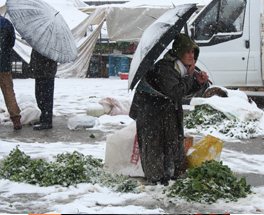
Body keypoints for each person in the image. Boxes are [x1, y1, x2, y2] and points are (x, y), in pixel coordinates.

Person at [129, 33, 210, 186]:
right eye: (188, 51)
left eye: (194, 52)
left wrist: (198, 82)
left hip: (167, 111)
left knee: (172, 144)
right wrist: (190, 77)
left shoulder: (185, 68)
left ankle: (170, 176)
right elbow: (176, 92)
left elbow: (187, 91)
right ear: (179, 52)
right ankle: (156, 180)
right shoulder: (165, 67)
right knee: (155, 146)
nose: (192, 55)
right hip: (151, 113)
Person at [0, 14, 22, 130]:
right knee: (8, 91)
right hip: (4, 64)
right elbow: (12, 43)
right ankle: (16, 119)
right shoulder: (6, 23)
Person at [30, 49, 57, 130]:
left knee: (45, 96)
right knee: (39, 95)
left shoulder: (49, 43)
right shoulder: (41, 40)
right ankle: (43, 118)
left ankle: (47, 121)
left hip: (46, 70)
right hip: (40, 70)